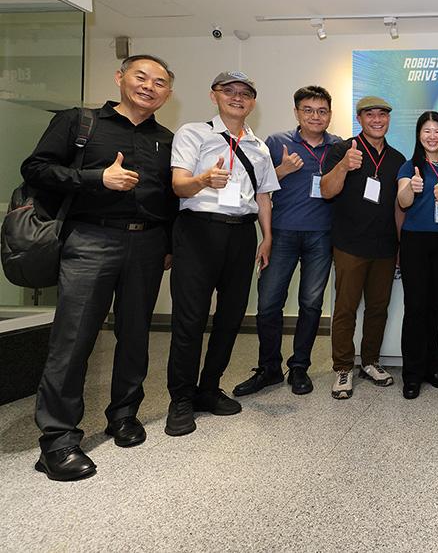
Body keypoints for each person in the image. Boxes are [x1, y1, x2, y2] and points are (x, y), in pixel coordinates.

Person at [24, 55, 176, 481]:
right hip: (90, 240)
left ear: (168, 93)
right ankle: (58, 440)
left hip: (147, 244)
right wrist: (96, 179)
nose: (149, 86)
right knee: (73, 339)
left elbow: (167, 197)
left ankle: (123, 415)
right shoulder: (80, 122)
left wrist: (168, 244)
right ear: (120, 77)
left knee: (135, 334)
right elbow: (35, 168)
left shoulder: (165, 139)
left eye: (160, 82)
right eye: (141, 76)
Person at [165, 71, 280, 437]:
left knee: (231, 317)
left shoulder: (259, 147)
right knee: (190, 319)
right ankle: (181, 399)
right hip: (199, 231)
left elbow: (263, 196)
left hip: (242, 233)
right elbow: (178, 185)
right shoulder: (193, 133)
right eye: (229, 90)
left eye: (245, 93)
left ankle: (209, 388)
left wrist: (267, 237)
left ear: (253, 102)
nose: (237, 97)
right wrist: (203, 180)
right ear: (213, 95)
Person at [233, 86, 340, 398]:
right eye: (308, 110)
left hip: (322, 235)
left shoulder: (338, 146)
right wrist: (282, 170)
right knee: (268, 304)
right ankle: (268, 368)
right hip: (281, 234)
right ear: (297, 113)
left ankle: (299, 367)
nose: (315, 116)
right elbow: (258, 188)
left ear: (329, 115)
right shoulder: (276, 142)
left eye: (322, 111)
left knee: (311, 304)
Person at [321, 96, 406, 399]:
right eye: (370, 115)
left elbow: (398, 206)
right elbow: (326, 190)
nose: (377, 120)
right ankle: (343, 367)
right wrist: (344, 166)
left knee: (378, 309)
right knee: (345, 309)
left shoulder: (396, 158)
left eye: (382, 115)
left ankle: (370, 361)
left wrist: (400, 245)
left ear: (388, 119)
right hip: (350, 244)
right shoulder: (342, 149)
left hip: (384, 247)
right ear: (360, 119)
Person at [395, 111, 438, 399]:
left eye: (437, 131)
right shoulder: (409, 167)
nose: (432, 136)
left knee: (434, 308)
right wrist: (411, 187)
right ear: (419, 135)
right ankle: (412, 374)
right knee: (415, 307)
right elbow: (403, 201)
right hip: (415, 242)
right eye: (426, 131)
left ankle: (433, 368)